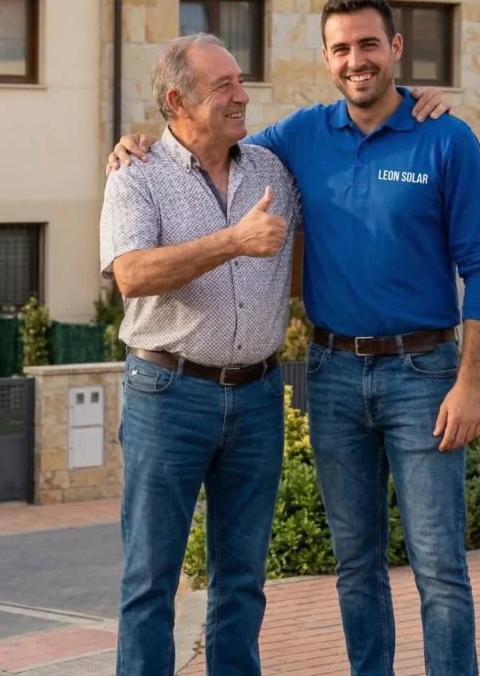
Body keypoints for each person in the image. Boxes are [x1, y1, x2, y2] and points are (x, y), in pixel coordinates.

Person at [109, 0, 480, 676]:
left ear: (396, 48)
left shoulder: (441, 139)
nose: (356, 60)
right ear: (325, 57)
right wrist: (134, 144)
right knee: (351, 566)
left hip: (420, 377)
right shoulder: (287, 143)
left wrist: (471, 383)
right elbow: (189, 170)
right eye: (341, 48)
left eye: (369, 44)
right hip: (317, 377)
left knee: (439, 567)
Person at [101, 33, 302, 676]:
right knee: (150, 580)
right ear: (176, 101)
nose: (242, 94)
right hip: (168, 394)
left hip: (259, 396)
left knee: (242, 580)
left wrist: (416, 98)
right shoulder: (137, 174)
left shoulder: (273, 169)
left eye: (240, 80)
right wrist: (233, 241)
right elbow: (131, 274)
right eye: (223, 86)